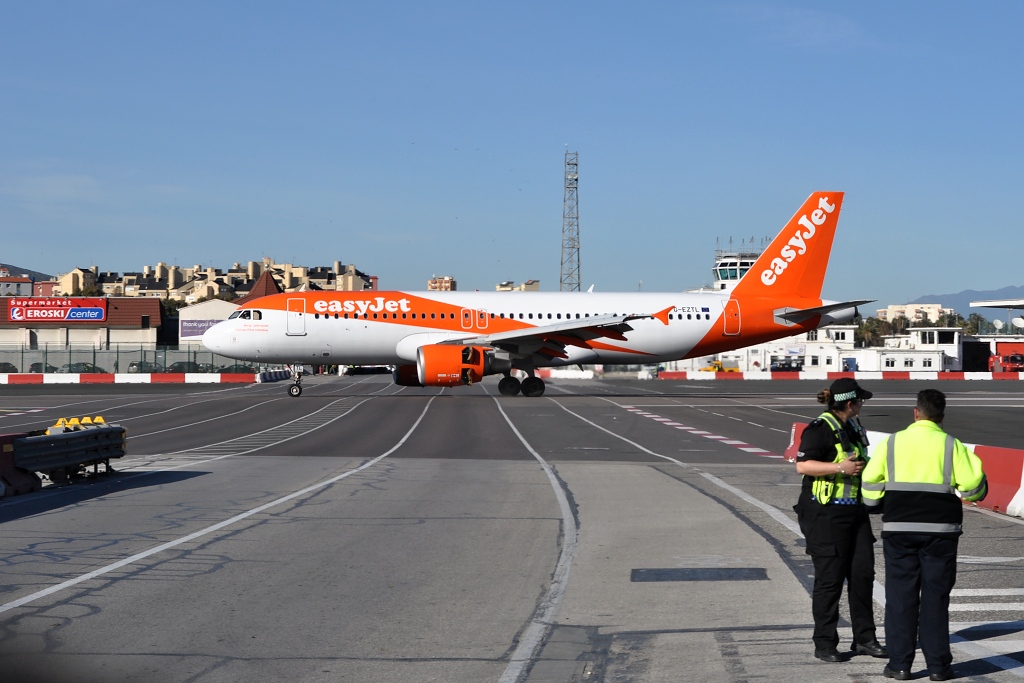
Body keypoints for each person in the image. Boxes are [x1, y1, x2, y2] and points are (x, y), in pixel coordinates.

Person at [861, 389, 987, 682]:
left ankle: (900, 665)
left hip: (899, 530)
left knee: (901, 597)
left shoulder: (892, 443)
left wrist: (876, 504)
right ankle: (938, 667)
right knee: (935, 599)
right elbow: (972, 488)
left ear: (915, 413)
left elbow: (869, 484)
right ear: (942, 417)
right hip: (940, 533)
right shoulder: (951, 445)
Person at [793, 377, 886, 663]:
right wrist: (840, 467)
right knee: (829, 580)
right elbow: (802, 465)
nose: (863, 404)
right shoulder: (820, 428)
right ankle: (825, 643)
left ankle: (865, 638)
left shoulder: (854, 426)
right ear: (850, 402)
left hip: (855, 513)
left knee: (862, 575)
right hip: (825, 515)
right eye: (861, 400)